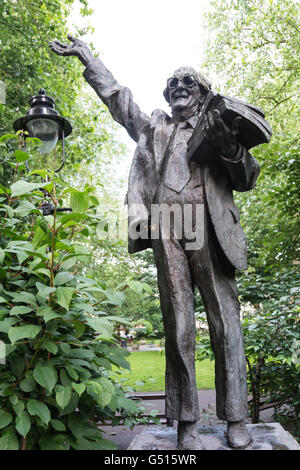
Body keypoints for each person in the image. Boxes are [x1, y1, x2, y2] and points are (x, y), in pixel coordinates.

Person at [50, 35, 261, 450]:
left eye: (187, 82)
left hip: (209, 228)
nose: (178, 87)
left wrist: (229, 147)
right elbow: (118, 98)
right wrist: (87, 56)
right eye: (172, 83)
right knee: (178, 323)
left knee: (225, 322)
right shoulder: (155, 126)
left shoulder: (219, 127)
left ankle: (236, 418)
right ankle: (186, 423)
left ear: (202, 94)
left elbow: (248, 177)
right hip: (166, 226)